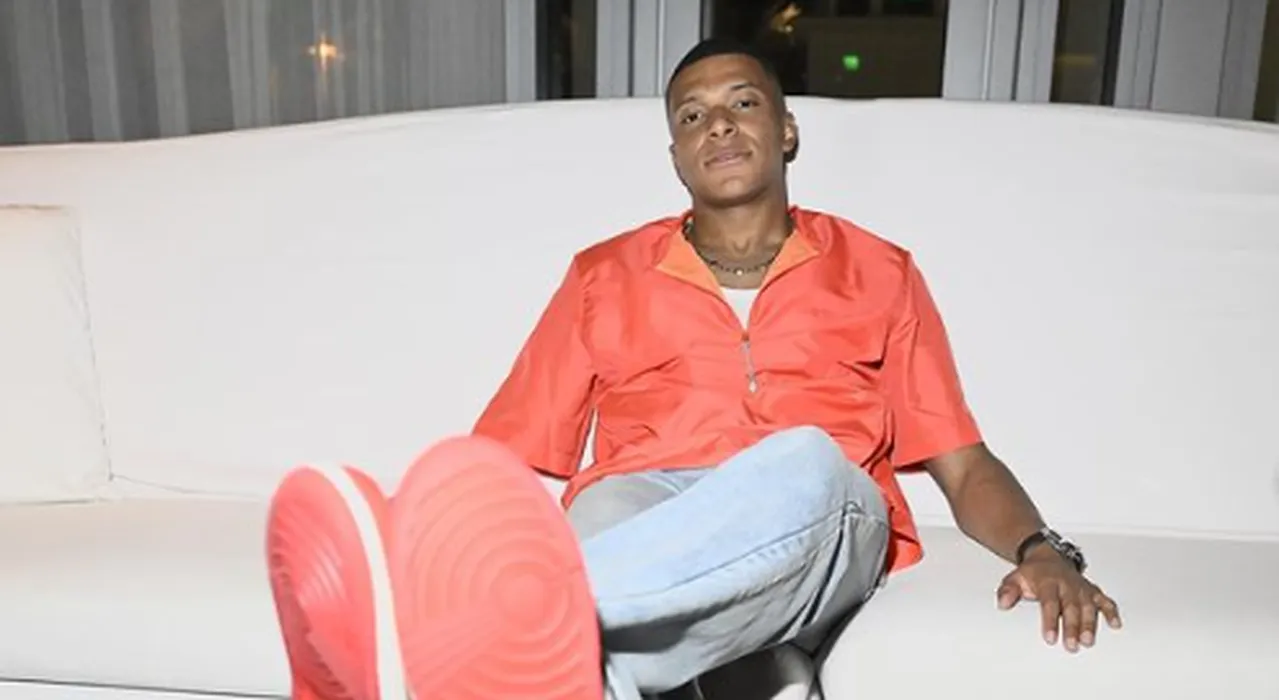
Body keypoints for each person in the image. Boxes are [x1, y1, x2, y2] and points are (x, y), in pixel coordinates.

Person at [264, 38, 1123, 700]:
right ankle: (530, 660)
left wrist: (1040, 550)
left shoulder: (879, 270)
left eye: (742, 103)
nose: (717, 124)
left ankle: (451, 634)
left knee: (802, 460)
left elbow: (960, 462)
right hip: (649, 499)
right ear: (675, 156)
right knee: (603, 513)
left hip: (819, 516)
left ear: (785, 131)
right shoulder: (602, 274)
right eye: (690, 116)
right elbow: (506, 453)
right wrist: (425, 527)